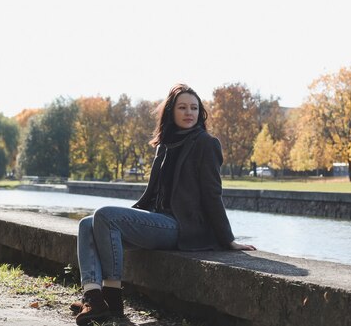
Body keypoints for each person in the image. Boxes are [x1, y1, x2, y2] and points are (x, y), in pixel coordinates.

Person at [72, 83, 256, 326]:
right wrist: (130, 218)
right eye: (182, 107)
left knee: (104, 214)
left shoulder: (205, 143)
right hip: (157, 220)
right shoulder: (164, 145)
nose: (189, 112)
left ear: (200, 113)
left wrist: (228, 239)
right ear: (171, 111)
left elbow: (213, 194)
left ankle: (113, 297)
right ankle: (94, 298)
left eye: (194, 107)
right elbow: (152, 194)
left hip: (181, 227)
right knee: (87, 224)